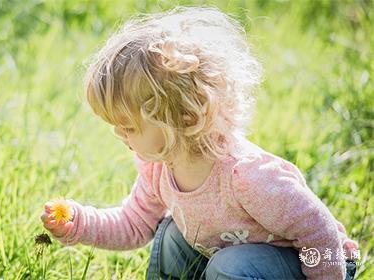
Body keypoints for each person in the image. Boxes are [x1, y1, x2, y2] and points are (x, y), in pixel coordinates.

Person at [40, 6, 359, 279]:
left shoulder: (247, 178)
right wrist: (79, 222)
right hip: (236, 262)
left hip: (317, 265)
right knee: (170, 237)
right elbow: (133, 223)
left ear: (186, 119)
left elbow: (319, 232)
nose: (118, 134)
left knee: (229, 265)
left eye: (128, 126)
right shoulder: (158, 169)